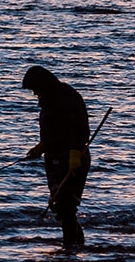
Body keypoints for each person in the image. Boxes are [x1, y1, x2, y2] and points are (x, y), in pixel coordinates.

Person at [22, 65, 92, 250]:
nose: (34, 93)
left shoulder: (68, 98)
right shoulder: (48, 99)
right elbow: (52, 130)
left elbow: (79, 128)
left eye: (35, 89)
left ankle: (70, 247)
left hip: (72, 157)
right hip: (54, 157)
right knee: (60, 205)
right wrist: (43, 145)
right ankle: (74, 245)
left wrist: (75, 153)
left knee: (66, 205)